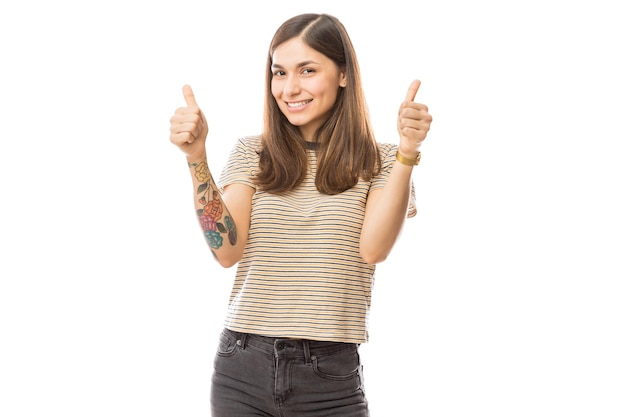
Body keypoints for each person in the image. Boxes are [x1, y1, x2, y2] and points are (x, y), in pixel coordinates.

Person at [169, 12, 432, 417]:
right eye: (279, 73)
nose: (289, 88)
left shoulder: (381, 161)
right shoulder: (251, 153)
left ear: (343, 74)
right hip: (242, 364)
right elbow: (226, 250)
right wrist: (196, 157)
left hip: (329, 375)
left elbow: (375, 249)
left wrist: (408, 153)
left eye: (307, 70)